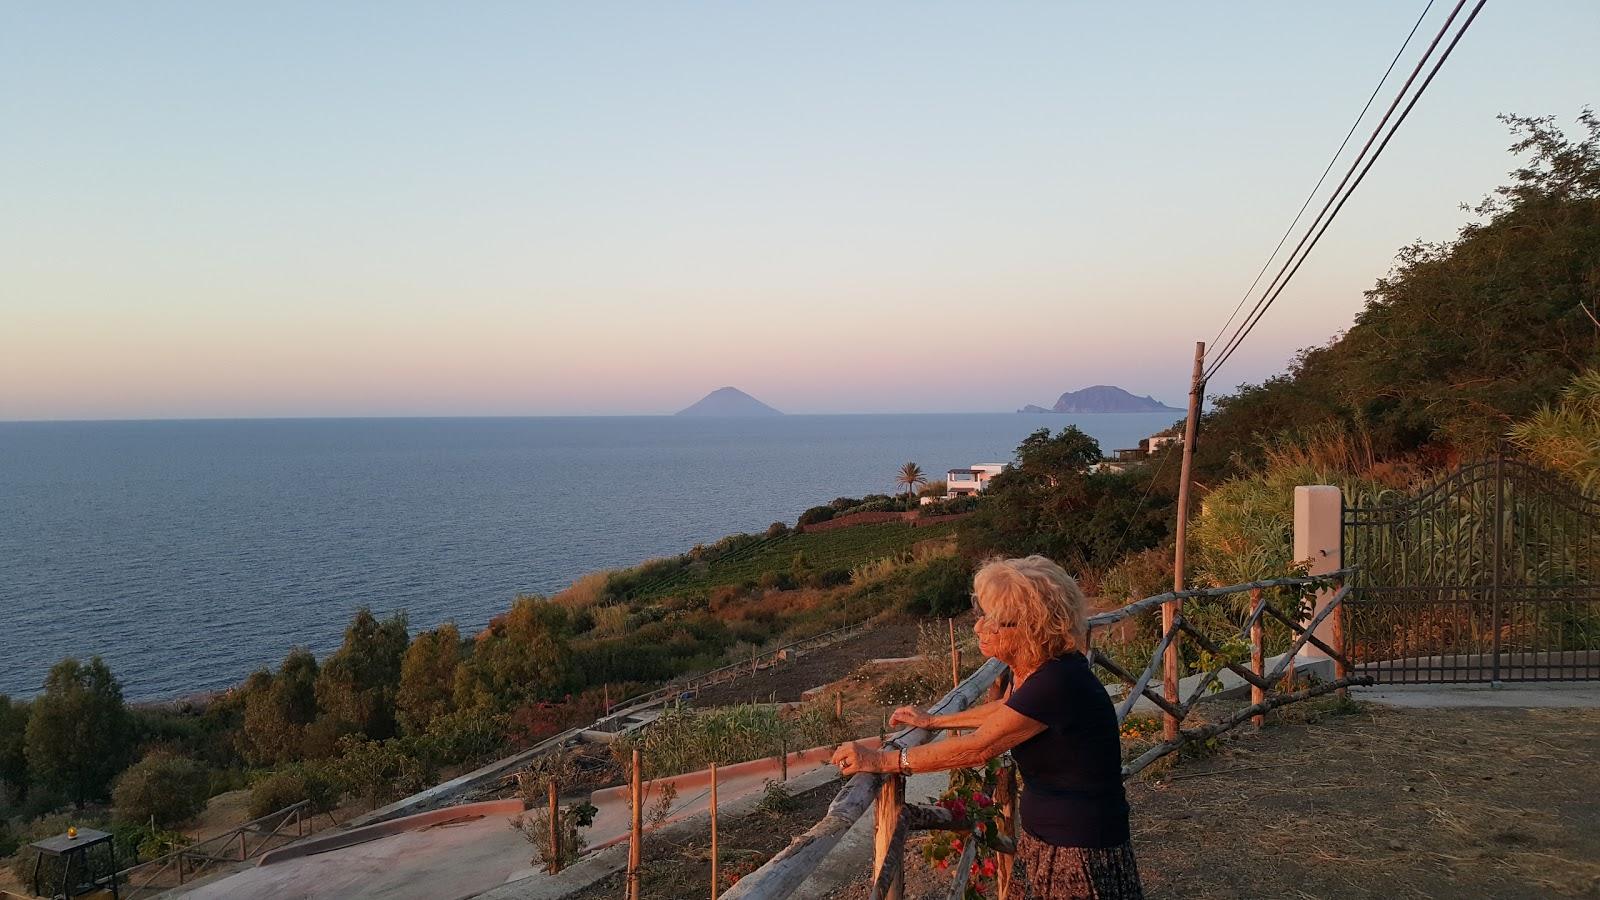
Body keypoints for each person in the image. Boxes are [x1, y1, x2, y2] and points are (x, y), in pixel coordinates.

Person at [830, 555, 1142, 899]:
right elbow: (1009, 710)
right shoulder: (1045, 669)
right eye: (981, 614)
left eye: (993, 619)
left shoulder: (1056, 681)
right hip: (1053, 835)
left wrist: (883, 762)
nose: (979, 627)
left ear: (1031, 626)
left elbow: (980, 747)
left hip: (1078, 847)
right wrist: (935, 720)